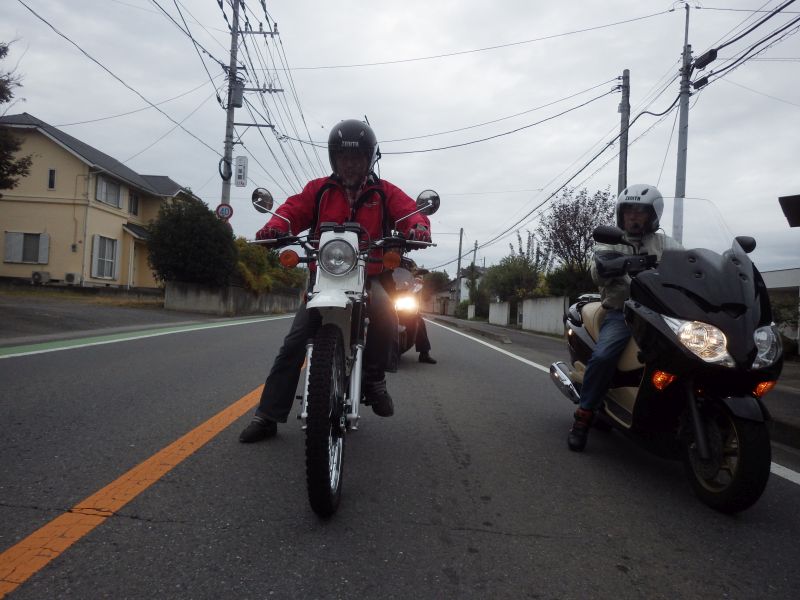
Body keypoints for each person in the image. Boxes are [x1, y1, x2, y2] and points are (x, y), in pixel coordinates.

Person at [240, 119, 432, 443]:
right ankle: (267, 416)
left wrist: (418, 228)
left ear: (369, 159)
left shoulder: (384, 192)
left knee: (388, 315)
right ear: (334, 158)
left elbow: (409, 212)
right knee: (295, 341)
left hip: (369, 276)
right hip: (324, 280)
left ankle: (374, 379)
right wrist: (275, 227)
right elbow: (292, 210)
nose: (350, 163)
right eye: (344, 156)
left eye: (357, 157)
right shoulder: (319, 190)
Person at [568, 184, 681, 452]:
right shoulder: (611, 241)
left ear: (653, 215)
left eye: (640, 211)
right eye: (628, 210)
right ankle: (583, 416)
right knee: (604, 356)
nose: (633, 216)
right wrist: (614, 265)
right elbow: (597, 272)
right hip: (623, 314)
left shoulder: (666, 243)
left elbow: (688, 262)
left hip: (663, 315)